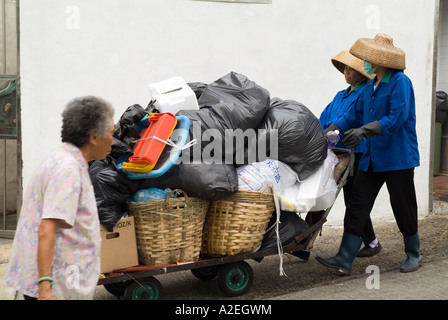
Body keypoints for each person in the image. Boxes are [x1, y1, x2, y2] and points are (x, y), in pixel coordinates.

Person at [316, 33, 421, 275]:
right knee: (357, 205)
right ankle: (344, 257)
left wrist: (364, 131)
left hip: (397, 158)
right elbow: (353, 114)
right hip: (372, 158)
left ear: (380, 60)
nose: (364, 62)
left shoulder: (399, 82)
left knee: (403, 206)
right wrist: (333, 129)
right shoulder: (370, 86)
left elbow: (397, 118)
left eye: (368, 58)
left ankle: (413, 253)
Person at [5, 96, 115, 299]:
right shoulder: (68, 169)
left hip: (61, 279)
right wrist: (45, 288)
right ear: (93, 136)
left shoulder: (64, 159)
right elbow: (47, 228)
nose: (113, 140)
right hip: (56, 287)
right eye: (111, 133)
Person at [319, 50, 382, 258]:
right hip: (338, 153)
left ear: (361, 74)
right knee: (348, 200)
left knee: (355, 201)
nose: (346, 73)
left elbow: (347, 120)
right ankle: (372, 241)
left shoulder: (365, 93)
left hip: (357, 154)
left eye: (350, 70)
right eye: (344, 69)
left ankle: (370, 242)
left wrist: (327, 135)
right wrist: (317, 135)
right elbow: (325, 118)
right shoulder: (340, 95)